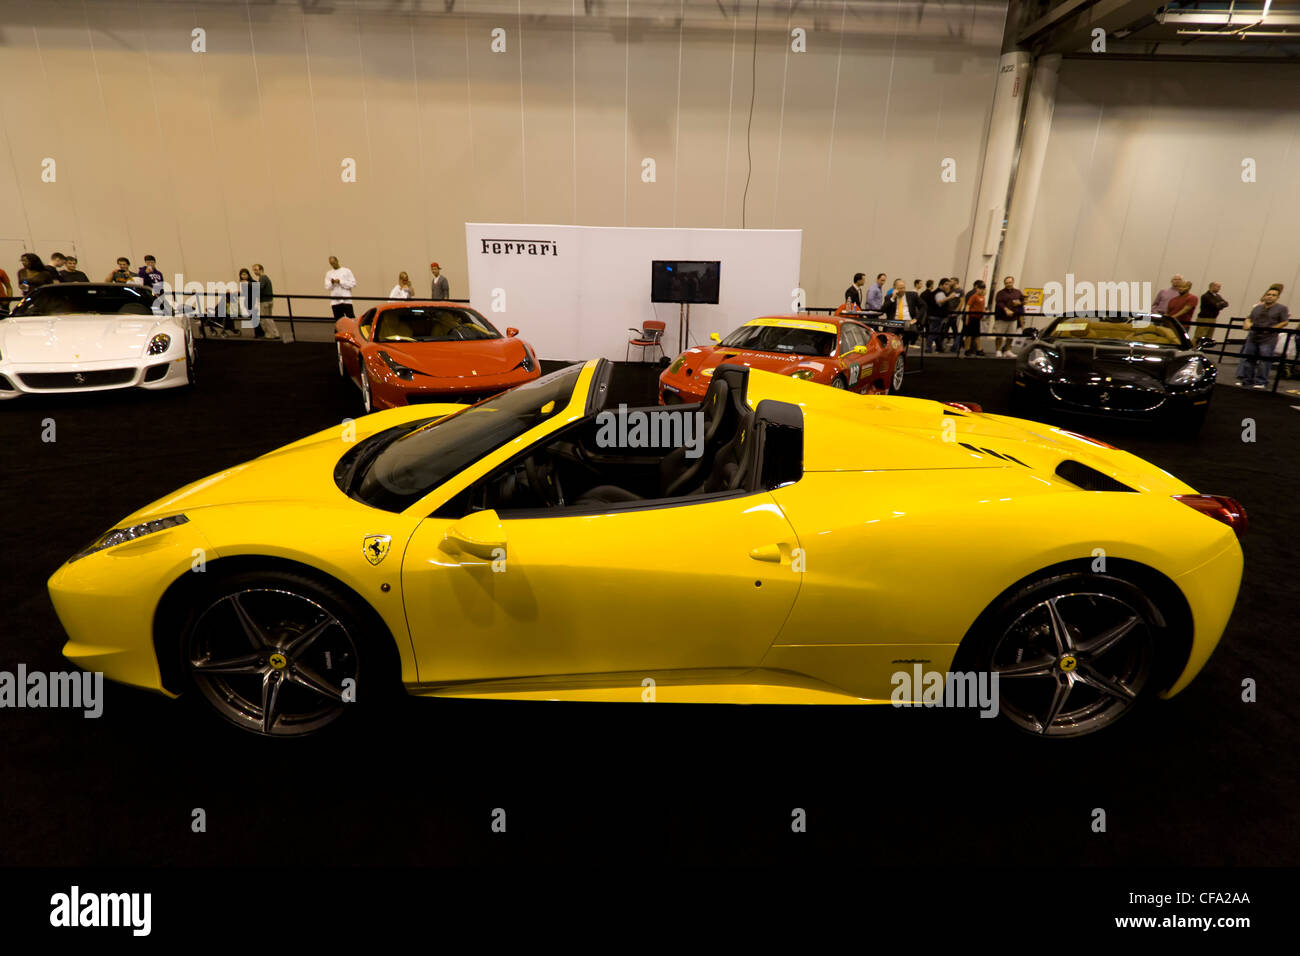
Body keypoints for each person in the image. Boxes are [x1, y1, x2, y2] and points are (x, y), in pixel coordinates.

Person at [1235, 286, 1290, 389]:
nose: (1270, 297)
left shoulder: (1282, 308)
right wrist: (1247, 323)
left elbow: (1284, 322)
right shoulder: (1257, 308)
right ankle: (1247, 380)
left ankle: (1261, 382)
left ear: (1277, 297)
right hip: (1253, 337)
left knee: (1264, 361)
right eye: (1268, 295)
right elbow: (1249, 318)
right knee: (1249, 359)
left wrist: (1272, 328)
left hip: (1268, 339)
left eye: (1273, 295)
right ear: (1265, 296)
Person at [881, 278, 926, 347]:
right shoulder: (889, 297)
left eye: (904, 288)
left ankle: (903, 344)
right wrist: (893, 298)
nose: (903, 290)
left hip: (908, 321)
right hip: (894, 322)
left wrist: (916, 318)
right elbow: (883, 310)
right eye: (900, 288)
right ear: (895, 289)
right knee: (888, 334)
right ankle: (895, 347)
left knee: (913, 332)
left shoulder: (912, 295)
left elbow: (923, 306)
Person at [993, 276, 1024, 357]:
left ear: (1013, 282)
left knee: (1011, 335)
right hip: (1002, 318)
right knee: (999, 335)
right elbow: (999, 303)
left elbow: (1022, 300)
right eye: (1006, 283)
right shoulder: (1000, 293)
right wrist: (1006, 309)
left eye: (1010, 282)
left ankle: (1008, 350)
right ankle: (998, 350)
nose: (1008, 284)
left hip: (1013, 318)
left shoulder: (1018, 292)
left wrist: (1021, 302)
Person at [251, 263, 280, 340]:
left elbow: (260, 288)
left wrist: (251, 286)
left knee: (265, 319)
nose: (255, 272)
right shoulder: (266, 278)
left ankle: (270, 334)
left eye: (256, 270)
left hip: (264, 301)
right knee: (269, 318)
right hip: (269, 300)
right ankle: (276, 333)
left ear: (261, 270)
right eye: (254, 270)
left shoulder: (262, 278)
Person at [962, 280, 987, 356]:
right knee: (968, 335)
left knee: (977, 335)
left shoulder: (982, 297)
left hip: (977, 318)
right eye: (980, 288)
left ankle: (979, 349)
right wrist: (967, 317)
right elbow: (968, 306)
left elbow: (982, 307)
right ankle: (967, 349)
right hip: (971, 317)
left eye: (983, 288)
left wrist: (983, 315)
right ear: (977, 288)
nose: (981, 290)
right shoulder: (974, 296)